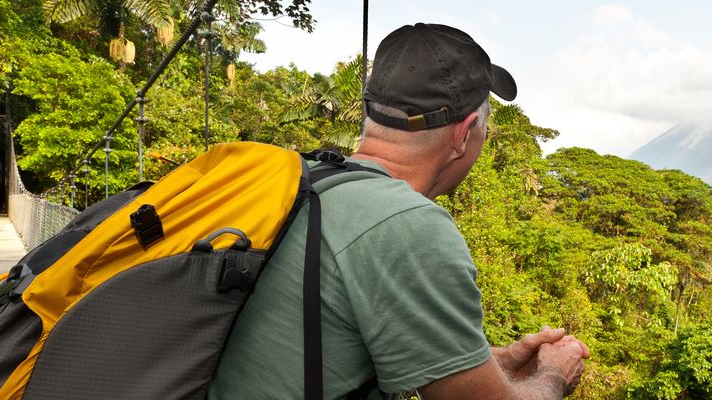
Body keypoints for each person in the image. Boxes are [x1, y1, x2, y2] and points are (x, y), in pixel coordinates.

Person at [208, 23, 590, 399]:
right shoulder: (407, 225)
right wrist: (553, 373)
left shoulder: (312, 180)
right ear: (463, 134)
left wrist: (503, 360)